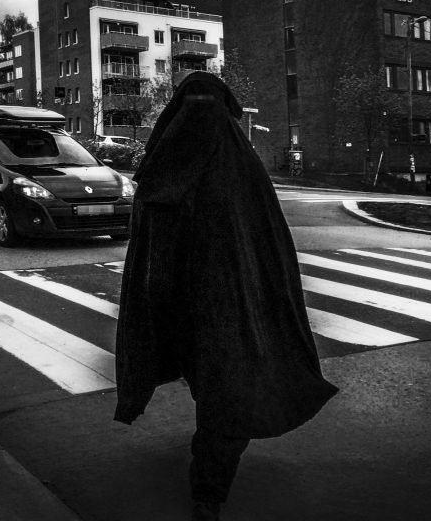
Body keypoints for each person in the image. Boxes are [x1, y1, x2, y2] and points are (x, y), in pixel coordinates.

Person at [114, 72, 338, 520]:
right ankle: (209, 475)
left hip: (226, 306)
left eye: (207, 104)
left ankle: (208, 490)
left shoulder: (203, 167)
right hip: (190, 304)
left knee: (227, 392)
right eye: (193, 104)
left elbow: (263, 242)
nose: (200, 114)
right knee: (218, 385)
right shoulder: (213, 167)